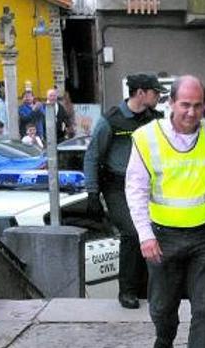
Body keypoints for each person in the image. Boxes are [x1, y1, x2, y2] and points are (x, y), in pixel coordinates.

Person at [126, 75, 205, 348]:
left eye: (197, 105)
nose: (191, 112)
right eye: (185, 104)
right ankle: (164, 336)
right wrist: (145, 235)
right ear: (171, 103)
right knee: (161, 306)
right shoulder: (146, 138)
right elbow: (135, 189)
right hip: (162, 236)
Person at [83, 73, 165, 309]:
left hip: (147, 185)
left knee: (152, 232)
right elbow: (92, 155)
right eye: (155, 92)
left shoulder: (155, 119)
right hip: (117, 186)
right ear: (141, 93)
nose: (159, 97)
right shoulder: (112, 120)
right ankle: (127, 291)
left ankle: (147, 289)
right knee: (132, 232)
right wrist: (92, 193)